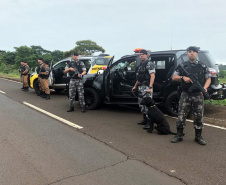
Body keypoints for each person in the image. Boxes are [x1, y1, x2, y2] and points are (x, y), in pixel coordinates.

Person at [171, 46, 211, 145]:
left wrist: (205, 88)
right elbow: (174, 77)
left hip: (198, 94)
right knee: (181, 115)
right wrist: (182, 77)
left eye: (193, 52)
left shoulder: (203, 66)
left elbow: (208, 79)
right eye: (189, 52)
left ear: (197, 54)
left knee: (198, 116)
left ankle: (198, 136)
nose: (191, 53)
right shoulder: (182, 65)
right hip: (185, 94)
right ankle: (179, 135)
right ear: (187, 54)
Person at [132, 49, 156, 129]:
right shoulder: (141, 65)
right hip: (140, 87)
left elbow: (152, 76)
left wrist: (150, 87)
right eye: (140, 54)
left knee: (147, 106)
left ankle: (150, 122)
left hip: (146, 87)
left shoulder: (149, 64)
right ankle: (145, 120)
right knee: (141, 104)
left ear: (146, 55)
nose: (141, 55)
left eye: (143, 54)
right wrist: (135, 86)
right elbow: (139, 78)